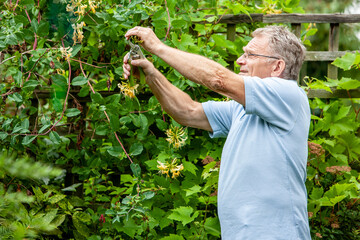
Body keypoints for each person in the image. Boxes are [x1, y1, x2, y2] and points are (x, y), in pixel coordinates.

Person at [123, 25, 311, 240]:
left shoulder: (287, 95)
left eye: (250, 55)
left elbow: (218, 79)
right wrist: (151, 72)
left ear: (277, 66)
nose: (240, 60)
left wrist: (156, 46)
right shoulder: (243, 110)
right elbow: (187, 111)